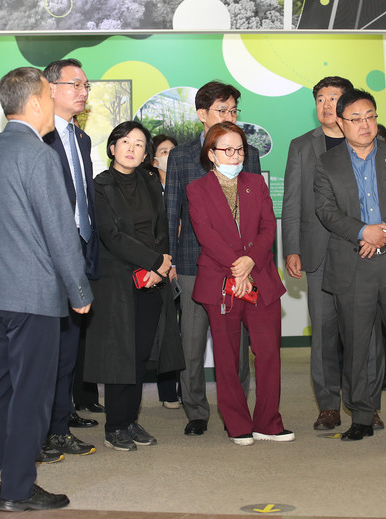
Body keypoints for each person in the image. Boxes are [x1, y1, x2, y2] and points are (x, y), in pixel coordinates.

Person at [0, 66, 92, 512]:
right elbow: (60, 232)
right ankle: (18, 488)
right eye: (49, 96)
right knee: (32, 395)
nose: (54, 104)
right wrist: (79, 291)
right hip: (33, 295)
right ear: (36, 101)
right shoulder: (39, 155)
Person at [314, 89, 386, 441]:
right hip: (354, 263)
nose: (365, 124)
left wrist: (383, 230)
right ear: (340, 122)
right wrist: (364, 231)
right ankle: (361, 416)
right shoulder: (326, 163)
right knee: (357, 347)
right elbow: (326, 211)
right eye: (356, 119)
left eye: (371, 116)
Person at [282, 76, 384, 432]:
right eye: (320, 99)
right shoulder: (301, 146)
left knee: (366, 333)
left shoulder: (371, 141)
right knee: (324, 332)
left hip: (362, 249)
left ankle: (367, 405)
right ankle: (328, 405)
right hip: (319, 251)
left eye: (334, 98)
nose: (326, 105)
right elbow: (292, 200)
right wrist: (291, 248)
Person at [164, 81, 262, 437]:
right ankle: (196, 410)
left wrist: (252, 261)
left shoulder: (248, 153)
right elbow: (171, 211)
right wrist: (169, 259)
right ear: (202, 114)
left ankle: (237, 406)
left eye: (234, 110)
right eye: (222, 110)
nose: (229, 116)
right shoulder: (182, 156)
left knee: (236, 344)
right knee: (191, 343)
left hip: (238, 265)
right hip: (193, 261)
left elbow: (256, 211)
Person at [187, 122, 290, 445]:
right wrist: (237, 268)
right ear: (211, 154)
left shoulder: (256, 183)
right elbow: (206, 235)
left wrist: (249, 263)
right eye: (227, 150)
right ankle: (237, 424)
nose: (235, 156)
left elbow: (267, 227)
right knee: (227, 357)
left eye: (240, 149)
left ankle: (268, 422)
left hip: (260, 277)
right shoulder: (197, 189)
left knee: (268, 353)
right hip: (221, 280)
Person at [84, 121, 184, 451]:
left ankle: (130, 420)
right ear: (112, 148)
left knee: (140, 354)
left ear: (146, 156)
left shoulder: (150, 182)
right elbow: (111, 235)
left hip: (151, 281)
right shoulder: (100, 185)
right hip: (117, 281)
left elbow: (162, 227)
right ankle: (114, 425)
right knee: (120, 355)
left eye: (139, 144)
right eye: (125, 141)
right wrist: (155, 262)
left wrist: (162, 262)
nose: (132, 148)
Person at [37, 58, 100, 463]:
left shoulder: (82, 138)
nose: (82, 91)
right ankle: (44, 431)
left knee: (68, 351)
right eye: (74, 84)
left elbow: (84, 200)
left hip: (80, 251)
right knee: (47, 353)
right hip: (47, 258)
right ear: (50, 88)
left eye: (86, 85)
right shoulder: (38, 138)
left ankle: (59, 425)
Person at [149, 134, 182, 408]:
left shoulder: (186, 184)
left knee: (187, 332)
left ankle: (186, 388)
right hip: (160, 267)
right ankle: (167, 390)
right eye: (164, 151)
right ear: (153, 160)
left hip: (187, 265)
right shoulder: (149, 190)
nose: (170, 155)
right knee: (165, 330)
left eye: (173, 150)